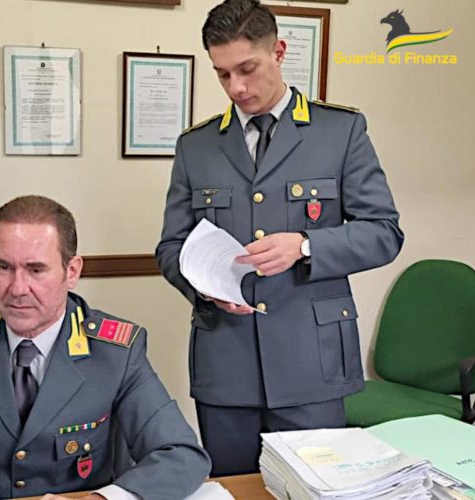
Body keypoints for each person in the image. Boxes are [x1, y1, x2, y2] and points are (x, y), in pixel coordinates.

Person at [155, 0, 403, 476]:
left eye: (247, 69)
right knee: (233, 489)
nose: (236, 87)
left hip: (313, 365)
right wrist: (204, 285)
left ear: (279, 52)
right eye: (223, 74)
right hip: (226, 365)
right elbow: (171, 247)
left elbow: (384, 232)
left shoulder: (340, 132)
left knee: (315, 487)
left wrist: (305, 246)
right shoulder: (196, 146)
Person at [0, 195, 210, 499]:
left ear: (72, 272)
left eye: (36, 270)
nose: (17, 288)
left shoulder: (115, 354)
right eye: (4, 267)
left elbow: (182, 455)